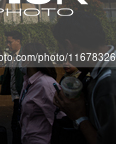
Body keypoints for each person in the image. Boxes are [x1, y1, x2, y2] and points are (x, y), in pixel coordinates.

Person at [52, 11, 116, 144]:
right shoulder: (100, 73)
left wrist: (79, 117)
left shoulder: (109, 83)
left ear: (68, 45)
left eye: (62, 50)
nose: (64, 56)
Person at [18, 43, 66, 144]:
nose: (19, 60)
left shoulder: (46, 84)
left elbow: (61, 117)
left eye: (21, 56)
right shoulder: (28, 82)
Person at [0, 30, 24, 144]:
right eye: (7, 42)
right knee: (16, 126)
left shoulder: (26, 56)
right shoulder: (11, 57)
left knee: (18, 125)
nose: (7, 45)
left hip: (23, 97)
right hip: (16, 97)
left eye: (9, 42)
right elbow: (7, 76)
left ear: (18, 41)